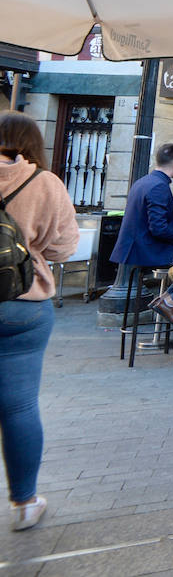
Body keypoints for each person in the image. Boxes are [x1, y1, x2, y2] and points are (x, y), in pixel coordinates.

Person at [0, 111, 78, 531]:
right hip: (23, 302)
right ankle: (25, 503)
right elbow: (65, 247)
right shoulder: (44, 183)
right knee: (18, 405)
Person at [114, 143, 173, 326]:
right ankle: (169, 301)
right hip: (147, 250)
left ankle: (168, 300)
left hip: (137, 247)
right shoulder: (159, 187)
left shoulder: (143, 181)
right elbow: (159, 228)